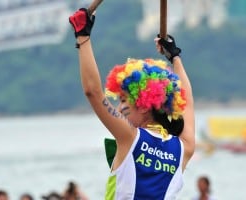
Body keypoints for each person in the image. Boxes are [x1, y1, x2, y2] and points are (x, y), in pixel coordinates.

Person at [69, 7, 195, 199]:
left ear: (144, 105)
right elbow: (187, 103)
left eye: (122, 101)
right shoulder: (183, 148)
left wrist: (82, 36)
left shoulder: (130, 136)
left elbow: (93, 92)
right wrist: (175, 57)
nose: (118, 108)